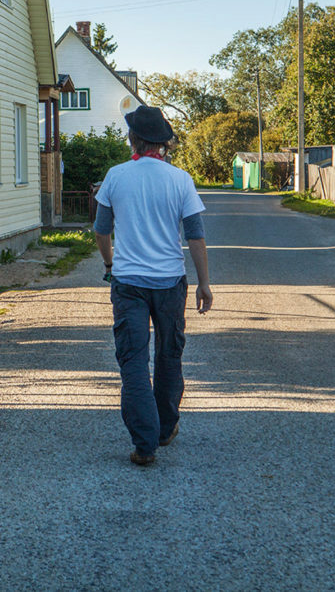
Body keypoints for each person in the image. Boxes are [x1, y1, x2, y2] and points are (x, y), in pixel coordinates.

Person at [93, 106, 212, 467]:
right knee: (168, 355)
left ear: (133, 139)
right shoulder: (180, 179)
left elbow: (101, 229)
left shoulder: (116, 176)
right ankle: (165, 428)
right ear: (163, 143)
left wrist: (110, 263)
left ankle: (145, 444)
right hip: (169, 283)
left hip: (128, 282)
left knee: (133, 360)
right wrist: (204, 283)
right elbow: (195, 236)